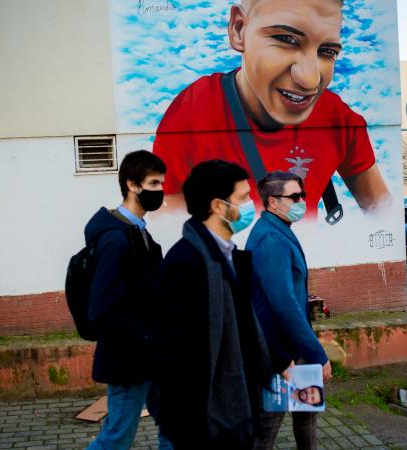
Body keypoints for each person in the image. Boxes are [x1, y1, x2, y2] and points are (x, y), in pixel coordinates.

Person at [153, 0, 391, 218]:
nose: (309, 80)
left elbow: (384, 215)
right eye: (286, 39)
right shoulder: (193, 111)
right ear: (238, 29)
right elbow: (171, 230)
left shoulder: (337, 118)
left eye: (327, 51)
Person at [153, 159, 272, 449]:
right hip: (202, 421)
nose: (250, 206)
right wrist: (184, 426)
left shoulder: (231, 257)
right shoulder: (186, 263)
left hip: (235, 409)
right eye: (243, 198)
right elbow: (174, 356)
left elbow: (243, 328)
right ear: (218, 206)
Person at [84, 150, 172, 450]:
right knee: (116, 437)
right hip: (129, 358)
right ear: (132, 185)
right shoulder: (116, 238)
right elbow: (102, 307)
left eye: (161, 183)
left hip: (151, 355)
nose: (160, 190)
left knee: (177, 423)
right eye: (153, 184)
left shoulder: (139, 233)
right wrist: (143, 336)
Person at [246, 171, 333, 450]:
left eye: (303, 195)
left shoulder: (279, 232)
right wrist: (317, 355)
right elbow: (282, 304)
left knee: (306, 418)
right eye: (295, 197)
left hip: (296, 349)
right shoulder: (271, 239)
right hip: (281, 355)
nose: (302, 201)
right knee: (267, 429)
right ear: (273, 202)